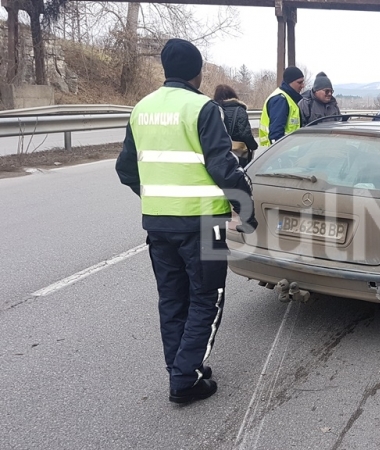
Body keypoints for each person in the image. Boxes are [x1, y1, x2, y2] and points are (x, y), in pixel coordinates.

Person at [115, 38, 258, 404]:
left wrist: (156, 199)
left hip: (158, 224)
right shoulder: (202, 108)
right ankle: (184, 379)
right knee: (207, 297)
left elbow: (126, 170)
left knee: (173, 298)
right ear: (197, 72)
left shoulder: (141, 108)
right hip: (203, 223)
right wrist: (247, 208)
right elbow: (224, 166)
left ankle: (183, 365)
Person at [213, 84, 258, 168]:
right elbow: (245, 133)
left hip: (217, 152)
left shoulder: (213, 110)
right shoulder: (239, 110)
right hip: (237, 153)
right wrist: (253, 146)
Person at [259, 66, 304, 147]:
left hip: (288, 152)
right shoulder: (280, 99)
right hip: (281, 153)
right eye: (299, 82)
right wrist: (279, 157)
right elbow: (276, 134)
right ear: (290, 82)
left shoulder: (289, 98)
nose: (302, 85)